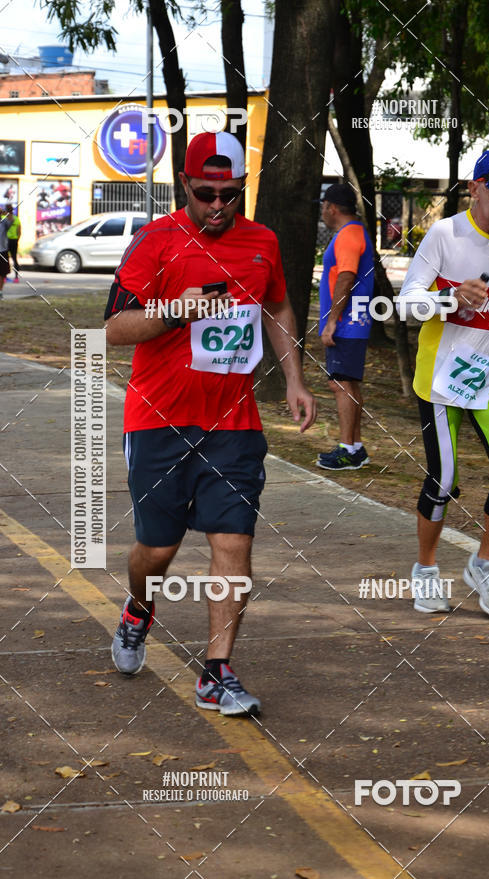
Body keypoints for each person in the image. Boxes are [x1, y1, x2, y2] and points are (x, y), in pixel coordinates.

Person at [105, 131, 317, 715]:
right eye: (206, 194)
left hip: (233, 424)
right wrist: (177, 310)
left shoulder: (263, 241)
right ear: (186, 186)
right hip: (157, 419)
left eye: (230, 194)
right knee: (157, 549)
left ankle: (217, 671)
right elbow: (113, 328)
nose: (219, 205)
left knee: (233, 540)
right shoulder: (155, 241)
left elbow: (277, 306)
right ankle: (138, 609)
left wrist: (294, 378)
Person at [398, 149, 489, 617]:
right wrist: (450, 297)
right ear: (475, 187)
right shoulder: (445, 234)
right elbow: (407, 303)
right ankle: (425, 570)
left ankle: (483, 564)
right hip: (442, 376)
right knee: (444, 478)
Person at [317, 183, 374, 470]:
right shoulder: (354, 232)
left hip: (347, 323)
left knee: (340, 383)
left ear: (332, 207)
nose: (323, 212)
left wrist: (331, 322)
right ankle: (356, 446)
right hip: (353, 322)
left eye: (323, 206)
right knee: (347, 382)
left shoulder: (348, 235)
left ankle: (347, 448)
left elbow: (346, 277)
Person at [0, 206, 14, 299]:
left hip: (2, 251)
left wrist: (6, 212)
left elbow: (11, 220)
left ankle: (0, 291)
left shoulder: (3, 222)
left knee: (2, 273)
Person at [4, 205, 20, 282]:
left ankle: (4, 277)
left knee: (4, 259)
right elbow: (19, 232)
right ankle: (16, 278)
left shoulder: (4, 218)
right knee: (14, 259)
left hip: (5, 241)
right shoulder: (16, 219)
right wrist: (17, 240)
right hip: (14, 241)